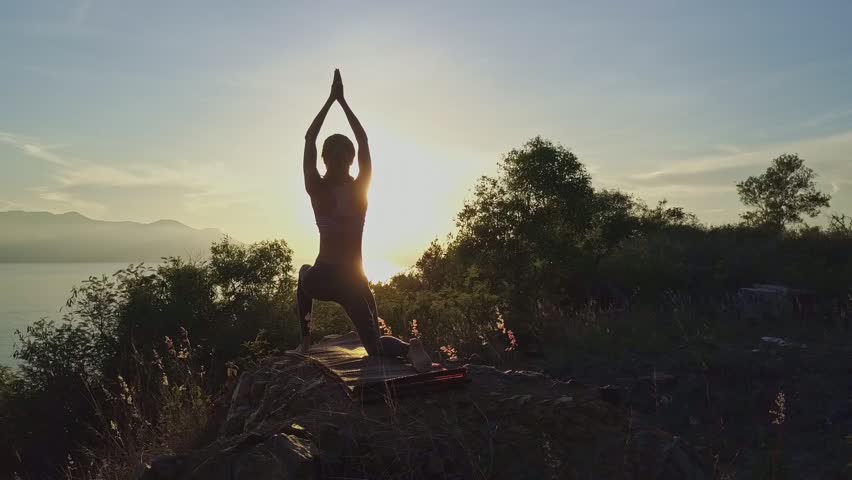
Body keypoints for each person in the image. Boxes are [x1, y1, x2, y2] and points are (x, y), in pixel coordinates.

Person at [296, 69, 432, 373]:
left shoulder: (316, 188)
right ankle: (410, 348)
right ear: (351, 160)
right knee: (376, 345)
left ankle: (305, 341)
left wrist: (331, 100)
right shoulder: (361, 189)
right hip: (355, 279)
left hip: (323, 277)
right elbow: (363, 138)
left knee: (304, 275)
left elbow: (309, 138)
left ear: (324, 159)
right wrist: (344, 102)